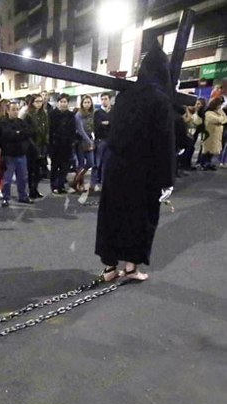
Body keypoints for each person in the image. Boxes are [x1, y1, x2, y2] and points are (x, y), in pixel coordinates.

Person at [95, 44, 176, 283]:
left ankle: (109, 268)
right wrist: (167, 179)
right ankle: (131, 267)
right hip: (144, 172)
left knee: (112, 216)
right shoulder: (160, 100)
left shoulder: (125, 95)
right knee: (139, 220)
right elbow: (165, 143)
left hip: (116, 167)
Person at [0, 99, 33, 206]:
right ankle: (5, 197)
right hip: (9, 155)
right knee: (7, 179)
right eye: (13, 110)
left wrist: (17, 134)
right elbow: (6, 135)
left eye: (17, 109)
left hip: (21, 154)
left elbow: (27, 133)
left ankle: (23, 196)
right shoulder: (3, 123)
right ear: (7, 111)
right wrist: (18, 134)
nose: (16, 112)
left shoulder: (21, 122)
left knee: (22, 178)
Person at [48, 94, 77, 194]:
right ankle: (54, 186)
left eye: (65, 102)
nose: (63, 104)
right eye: (62, 102)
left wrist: (72, 141)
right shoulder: (52, 114)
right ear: (58, 103)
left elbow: (73, 130)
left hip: (67, 145)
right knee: (55, 167)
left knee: (65, 168)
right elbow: (50, 131)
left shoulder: (71, 115)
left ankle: (61, 185)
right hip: (55, 145)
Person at [24, 93, 48, 199]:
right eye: (37, 101)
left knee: (38, 171)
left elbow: (47, 129)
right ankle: (31, 190)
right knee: (31, 170)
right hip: (32, 146)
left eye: (40, 101)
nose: (39, 104)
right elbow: (28, 133)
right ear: (32, 103)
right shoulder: (28, 115)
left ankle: (36, 189)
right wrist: (34, 146)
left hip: (42, 145)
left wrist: (46, 141)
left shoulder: (44, 114)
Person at [71, 94, 95, 192]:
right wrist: (90, 142)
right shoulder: (78, 115)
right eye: (85, 102)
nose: (87, 104)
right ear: (82, 103)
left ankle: (74, 182)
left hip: (89, 139)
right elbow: (81, 130)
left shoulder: (92, 113)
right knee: (81, 164)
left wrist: (92, 140)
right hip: (80, 141)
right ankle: (80, 185)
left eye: (89, 102)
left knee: (90, 162)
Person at [92, 92, 113, 191]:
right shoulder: (97, 113)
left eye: (106, 99)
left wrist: (107, 124)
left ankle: (104, 183)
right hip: (100, 140)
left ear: (109, 100)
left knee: (106, 163)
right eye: (102, 99)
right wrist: (107, 124)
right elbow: (97, 126)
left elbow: (114, 125)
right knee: (97, 163)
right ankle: (94, 183)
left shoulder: (113, 112)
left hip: (110, 140)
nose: (104, 101)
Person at [200, 96, 227, 170]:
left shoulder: (218, 112)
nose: (220, 106)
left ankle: (208, 163)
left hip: (216, 135)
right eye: (219, 104)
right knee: (207, 150)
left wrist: (221, 114)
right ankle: (202, 164)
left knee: (212, 151)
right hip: (209, 134)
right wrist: (222, 117)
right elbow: (219, 120)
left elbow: (225, 119)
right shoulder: (208, 113)